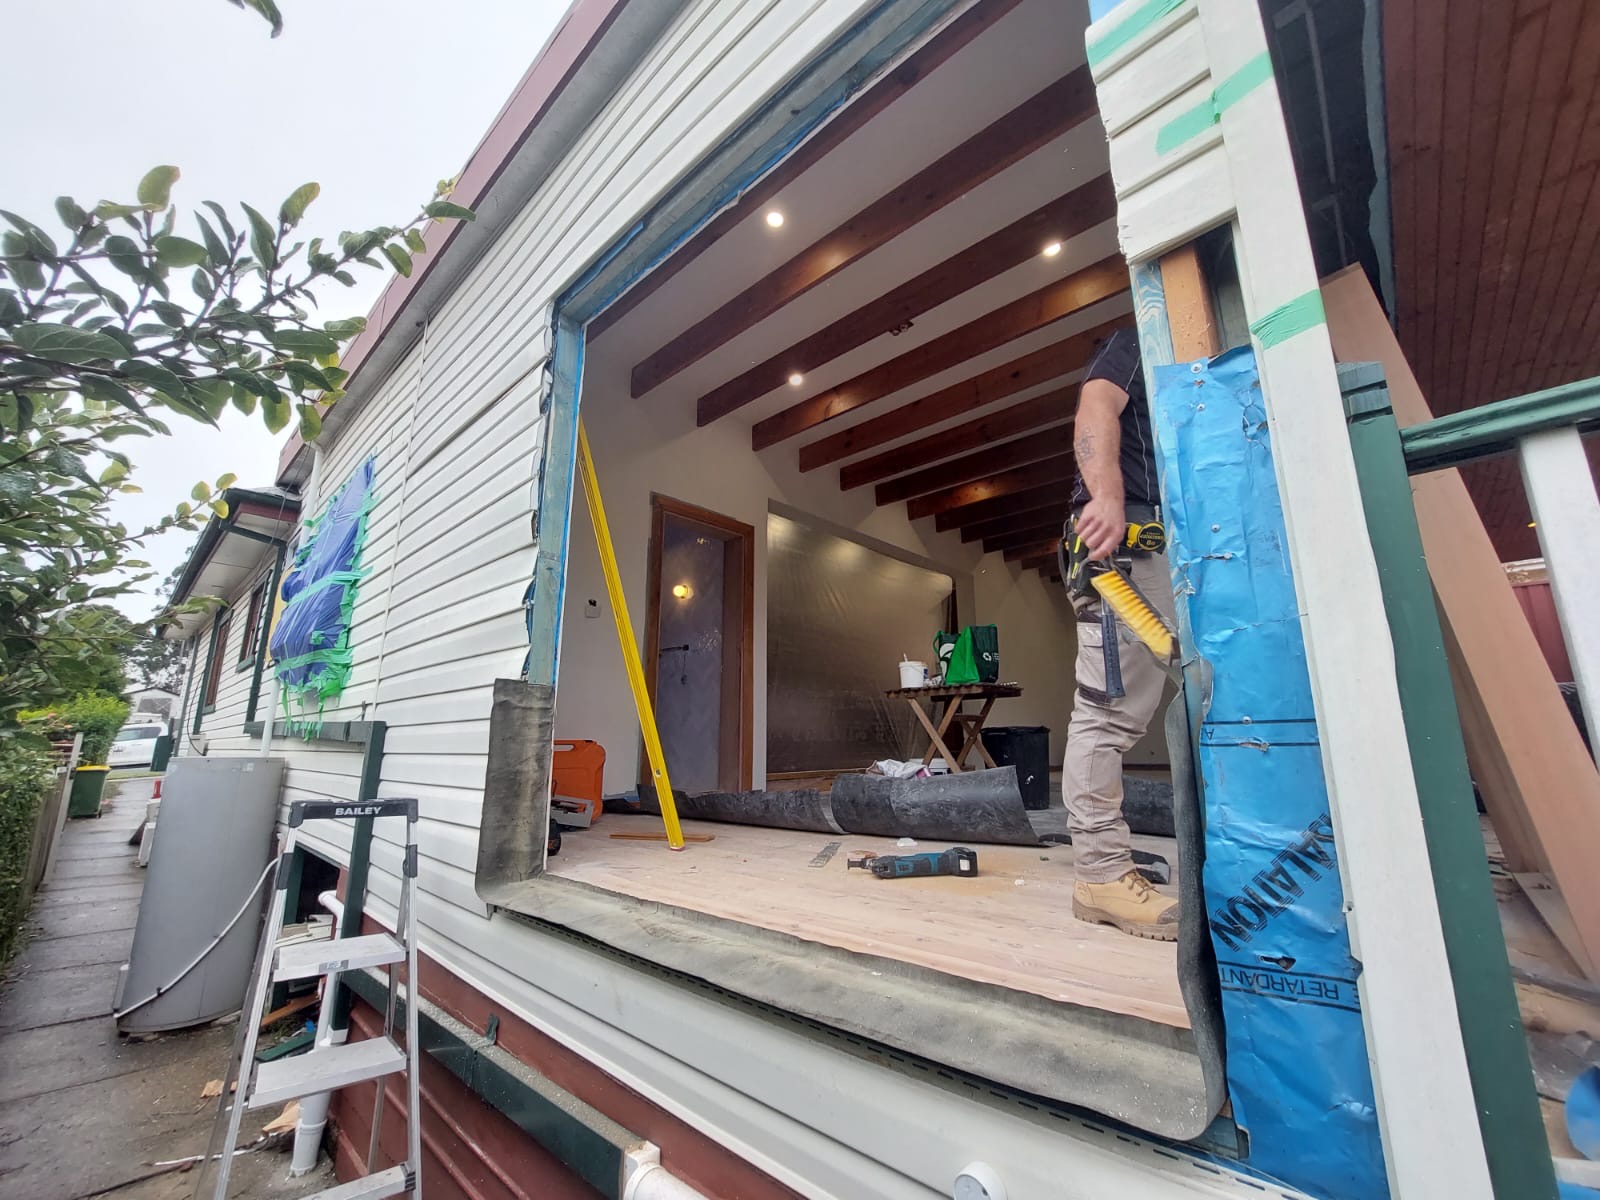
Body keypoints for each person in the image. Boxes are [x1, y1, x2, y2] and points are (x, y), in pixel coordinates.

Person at [1061, 327, 1180, 941]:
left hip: (1166, 549)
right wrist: (1107, 496)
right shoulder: (1144, 332)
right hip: (1123, 551)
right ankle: (1101, 875)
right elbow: (1096, 401)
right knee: (1108, 714)